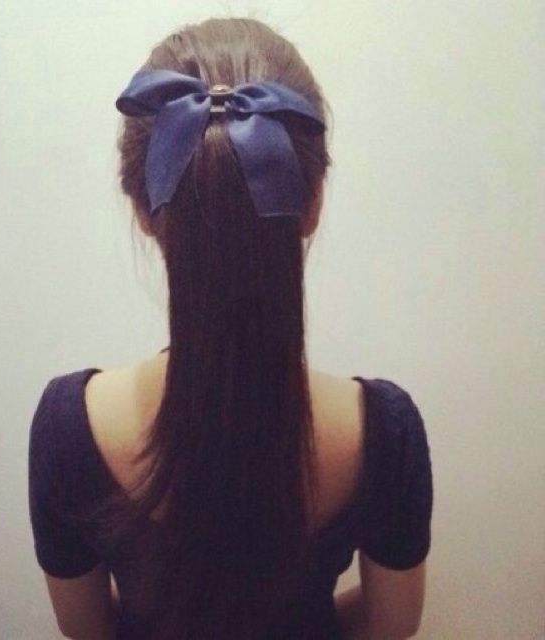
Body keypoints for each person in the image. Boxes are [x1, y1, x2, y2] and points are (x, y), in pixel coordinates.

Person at [28, 16, 433, 640]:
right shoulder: (382, 432)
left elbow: (85, 630)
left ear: (143, 211)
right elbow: (392, 624)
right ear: (312, 203)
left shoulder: (70, 427)